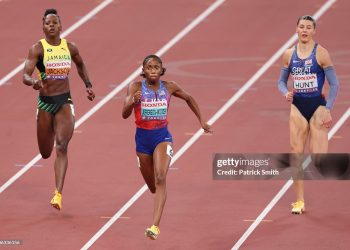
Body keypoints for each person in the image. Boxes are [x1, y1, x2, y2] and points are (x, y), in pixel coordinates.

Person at [122, 55, 212, 239]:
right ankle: (155, 192)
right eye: (149, 67)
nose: (153, 70)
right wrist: (132, 102)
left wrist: (201, 120)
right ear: (144, 71)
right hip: (142, 140)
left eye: (156, 67)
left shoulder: (169, 87)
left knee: (161, 176)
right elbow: (124, 114)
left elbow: (189, 98)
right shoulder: (135, 87)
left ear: (161, 70)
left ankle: (155, 226)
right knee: (153, 186)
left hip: (162, 137)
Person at [22, 9, 95, 211]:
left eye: (55, 22)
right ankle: (49, 126)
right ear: (43, 27)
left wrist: (88, 84)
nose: (51, 26)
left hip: (64, 101)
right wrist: (34, 82)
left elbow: (80, 65)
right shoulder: (38, 49)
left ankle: (58, 194)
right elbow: (25, 76)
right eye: (48, 23)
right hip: (45, 103)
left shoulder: (70, 47)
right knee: (45, 153)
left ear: (60, 26)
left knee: (61, 146)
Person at [278, 15, 339, 214]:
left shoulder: (321, 54)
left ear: (314, 31)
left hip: (318, 107)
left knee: (318, 159)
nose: (304, 30)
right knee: (296, 154)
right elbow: (280, 81)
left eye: (308, 28)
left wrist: (328, 107)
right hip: (297, 107)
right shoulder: (288, 54)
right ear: (296, 29)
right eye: (301, 27)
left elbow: (335, 84)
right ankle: (299, 201)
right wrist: (285, 92)